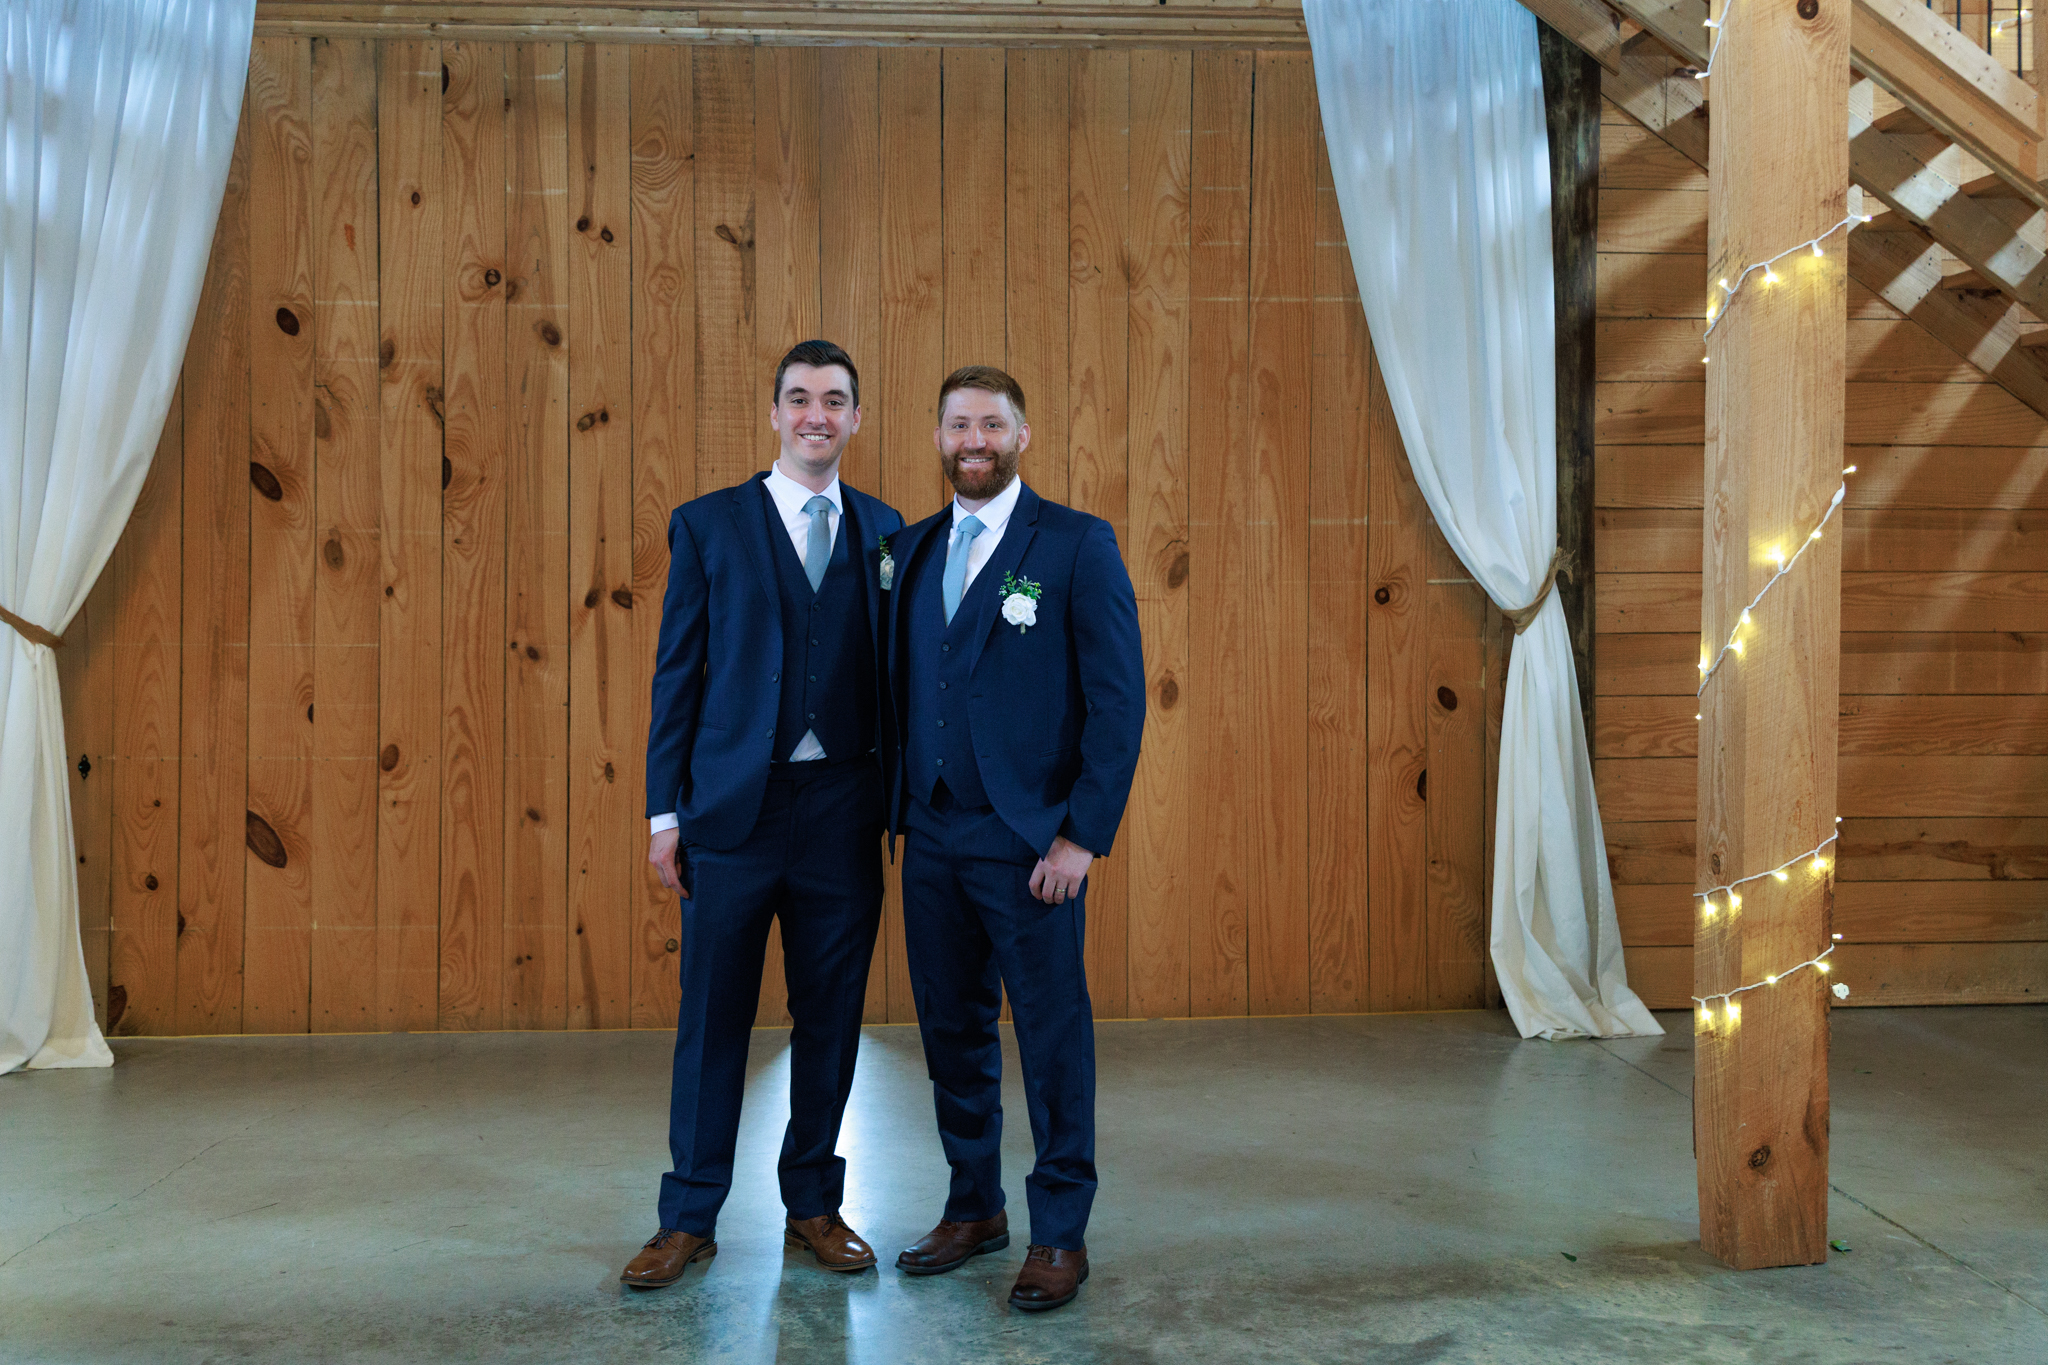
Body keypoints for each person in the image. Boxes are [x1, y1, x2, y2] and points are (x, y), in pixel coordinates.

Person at [622, 340, 904, 1289]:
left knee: (832, 1016)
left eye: (835, 400)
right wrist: (664, 814)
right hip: (732, 812)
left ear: (857, 418)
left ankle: (813, 1205)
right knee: (712, 1019)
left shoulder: (887, 531)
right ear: (775, 413)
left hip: (843, 810)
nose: (817, 415)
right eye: (800, 398)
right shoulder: (707, 524)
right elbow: (677, 675)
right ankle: (688, 1215)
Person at [883, 365, 1145, 1312]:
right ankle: (974, 1206)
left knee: (1051, 1037)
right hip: (931, 834)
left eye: (991, 424)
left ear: (1022, 436)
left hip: (1033, 845)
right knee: (951, 1032)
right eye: (958, 424)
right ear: (939, 436)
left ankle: (1061, 1230)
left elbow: (1118, 702)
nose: (974, 440)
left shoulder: (1076, 544)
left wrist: (1080, 836)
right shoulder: (908, 550)